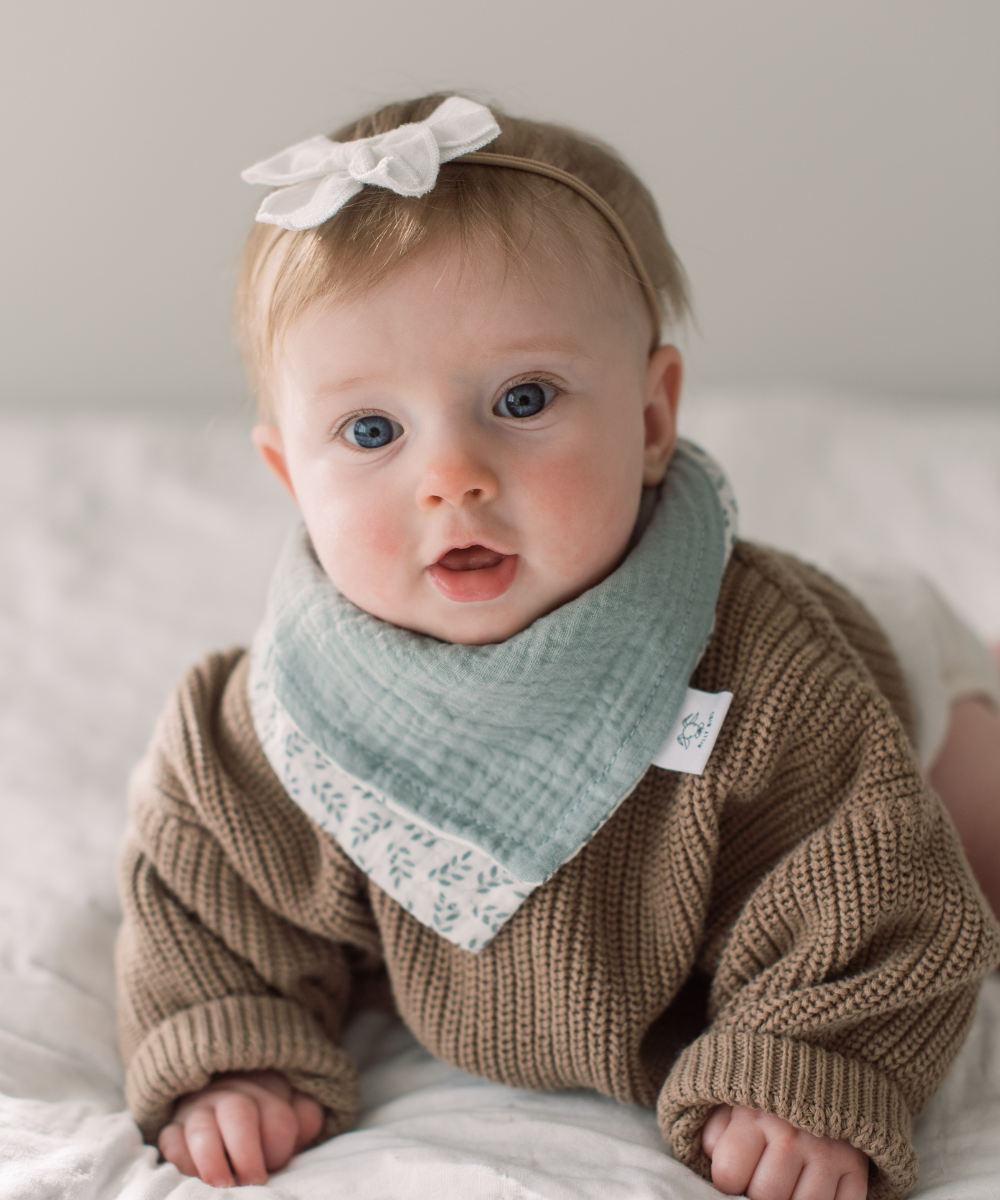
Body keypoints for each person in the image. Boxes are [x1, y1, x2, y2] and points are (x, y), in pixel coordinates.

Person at [115, 94, 1000, 1199]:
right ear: (291, 474)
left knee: (972, 854)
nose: (453, 475)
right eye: (372, 431)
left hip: (908, 680)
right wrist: (231, 1041)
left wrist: (804, 1068)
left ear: (648, 418)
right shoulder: (277, 721)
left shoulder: (776, 681)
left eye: (522, 398)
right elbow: (214, 894)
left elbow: (865, 892)